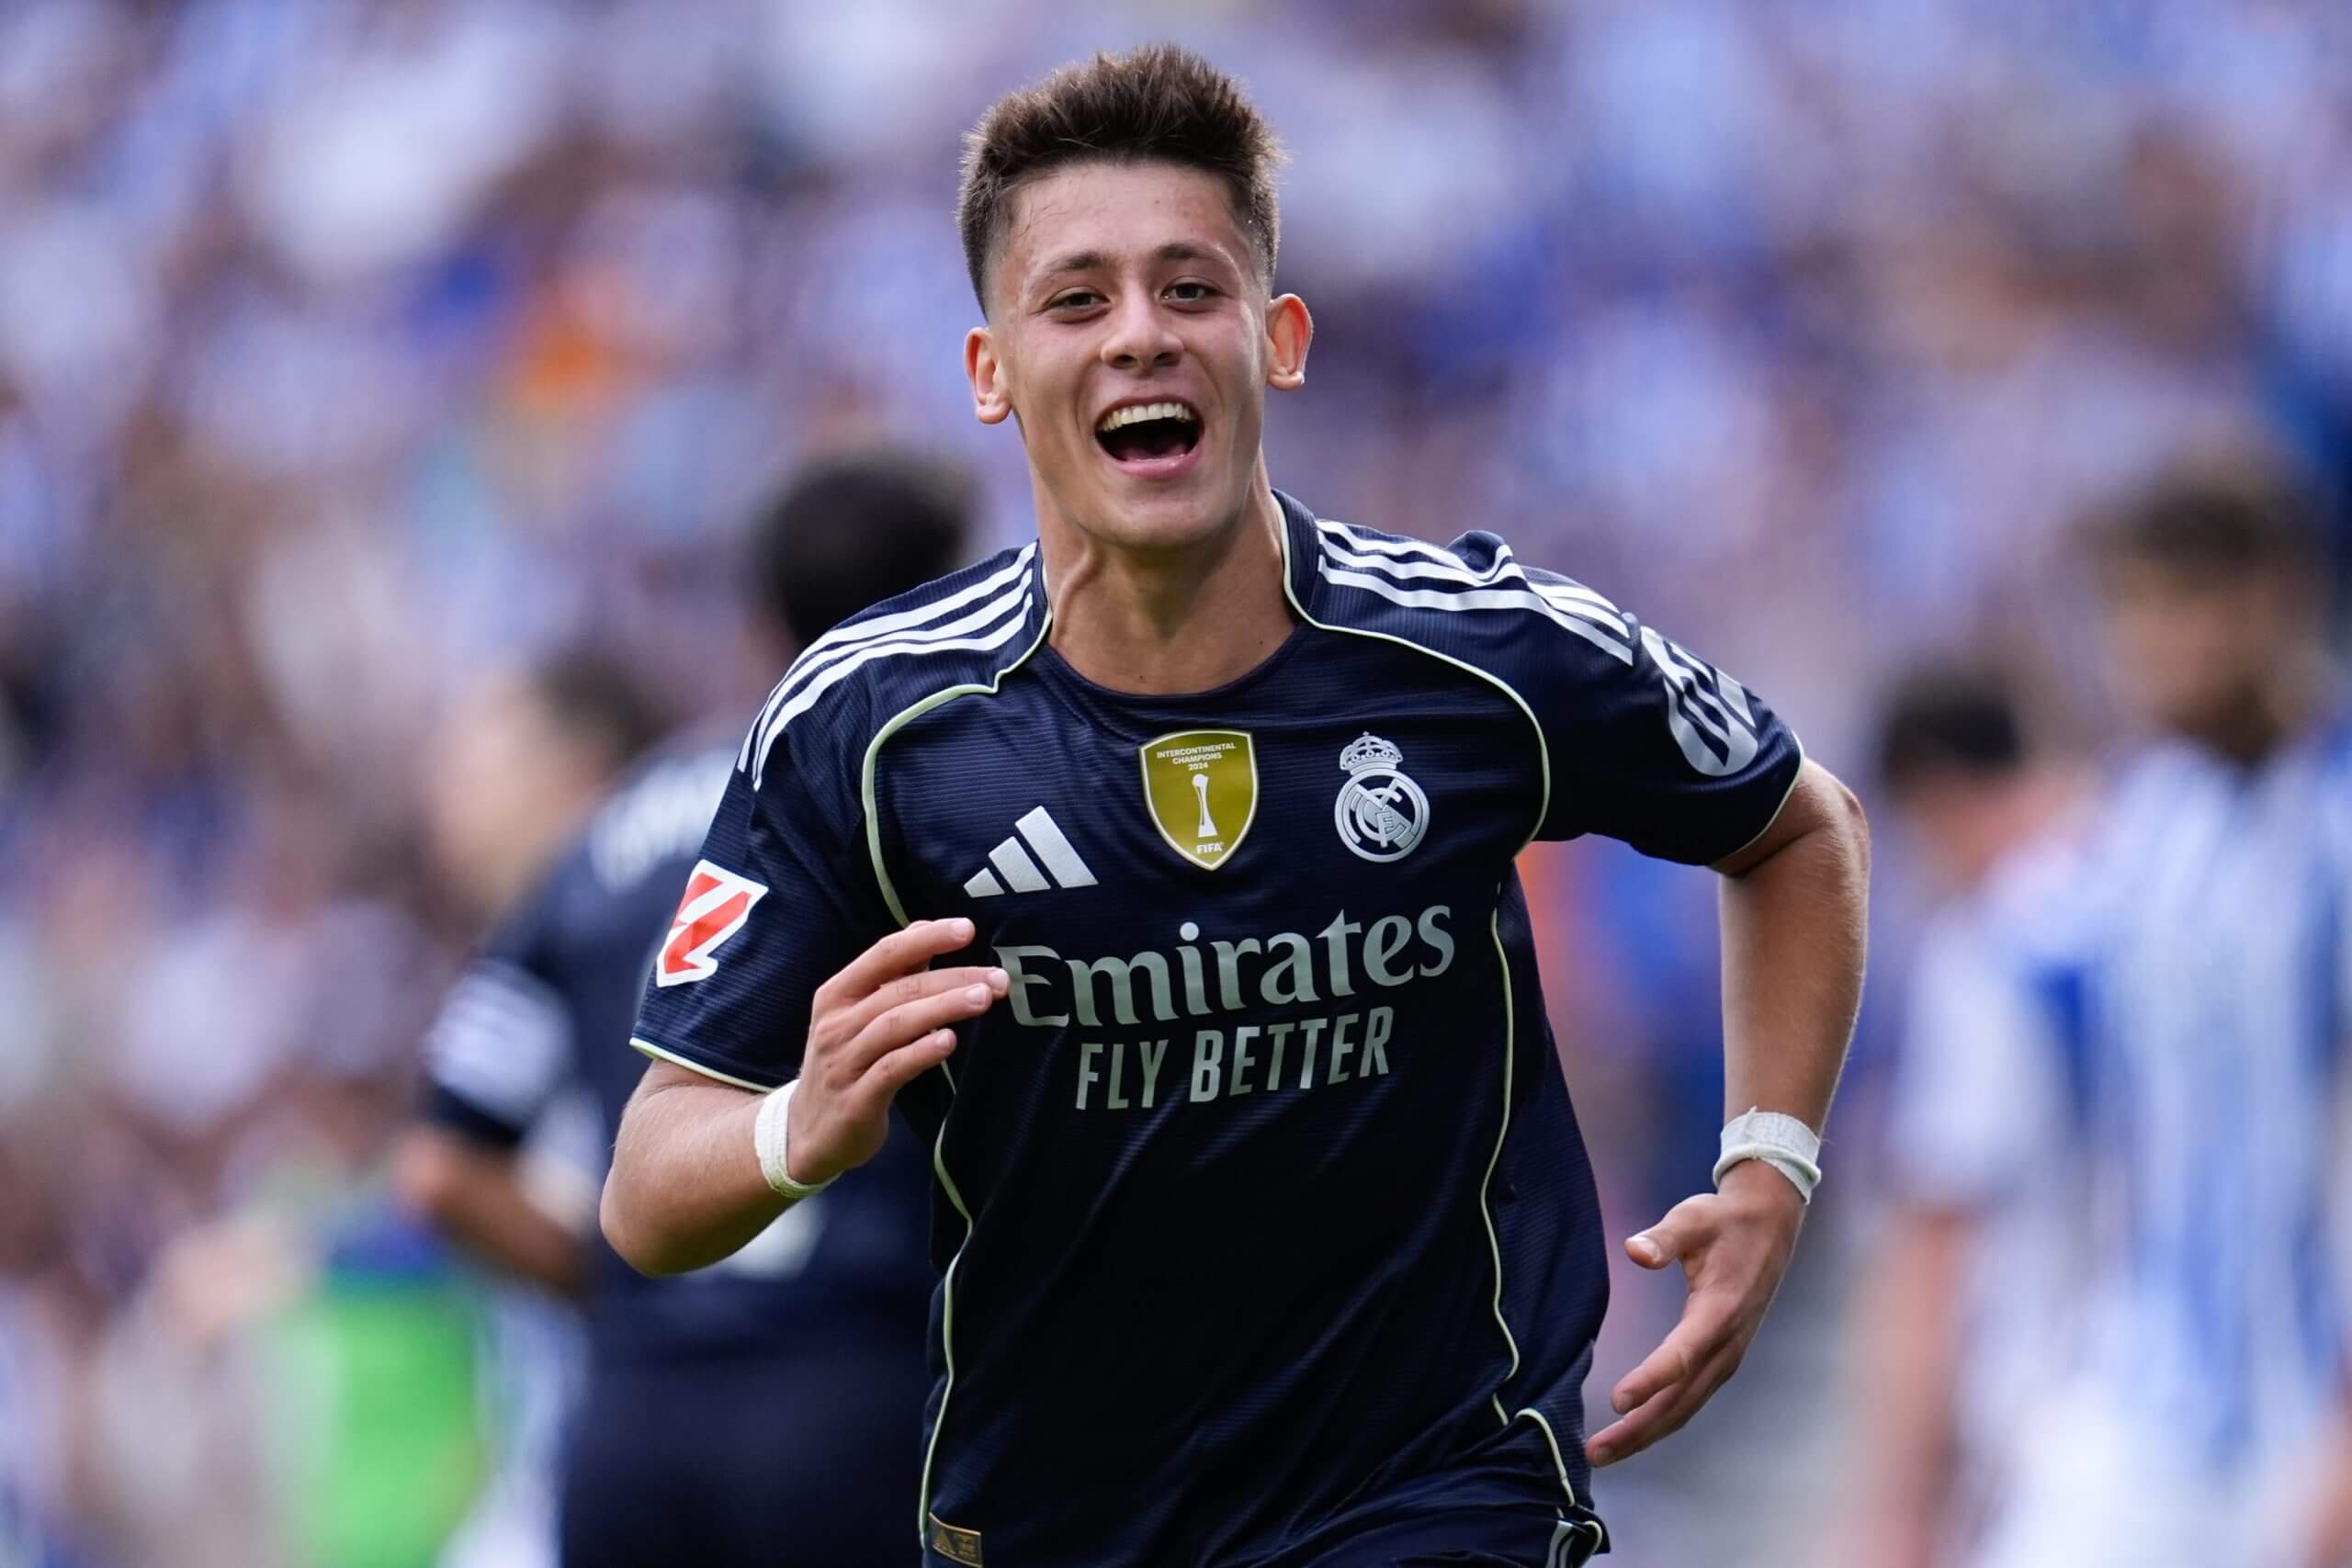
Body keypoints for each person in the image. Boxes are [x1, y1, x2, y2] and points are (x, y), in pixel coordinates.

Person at [601, 46, 1871, 1568]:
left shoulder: (1478, 653)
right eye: (1078, 300)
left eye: (1190, 288)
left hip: (1432, 1493)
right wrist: (797, 1127)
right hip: (1056, 1519)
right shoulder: (870, 723)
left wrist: (1771, 1160)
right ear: (989, 369)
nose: (1140, 333)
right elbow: (647, 1189)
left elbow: (1798, 825)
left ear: (1279, 337)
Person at [398, 455, 974, 1567]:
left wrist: (624, 1280)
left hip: (634, 1429)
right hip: (864, 1401)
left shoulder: (599, 841)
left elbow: (439, 1164)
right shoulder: (958, 802)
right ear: (954, 596)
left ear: (759, 625)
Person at [1931, 455, 2352, 1568]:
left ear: (2276, 598)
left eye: (2180, 602)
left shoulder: (2332, 827)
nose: (2147, 643)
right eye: (2126, 608)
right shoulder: (2142, 824)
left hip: (2303, 1414)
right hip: (2140, 1401)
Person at [1845, 665, 2093, 1568]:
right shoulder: (2149, 887)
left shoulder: (1989, 952)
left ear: (1933, 794)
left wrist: (1898, 1508)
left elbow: (1938, 1238)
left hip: (2044, 1435)